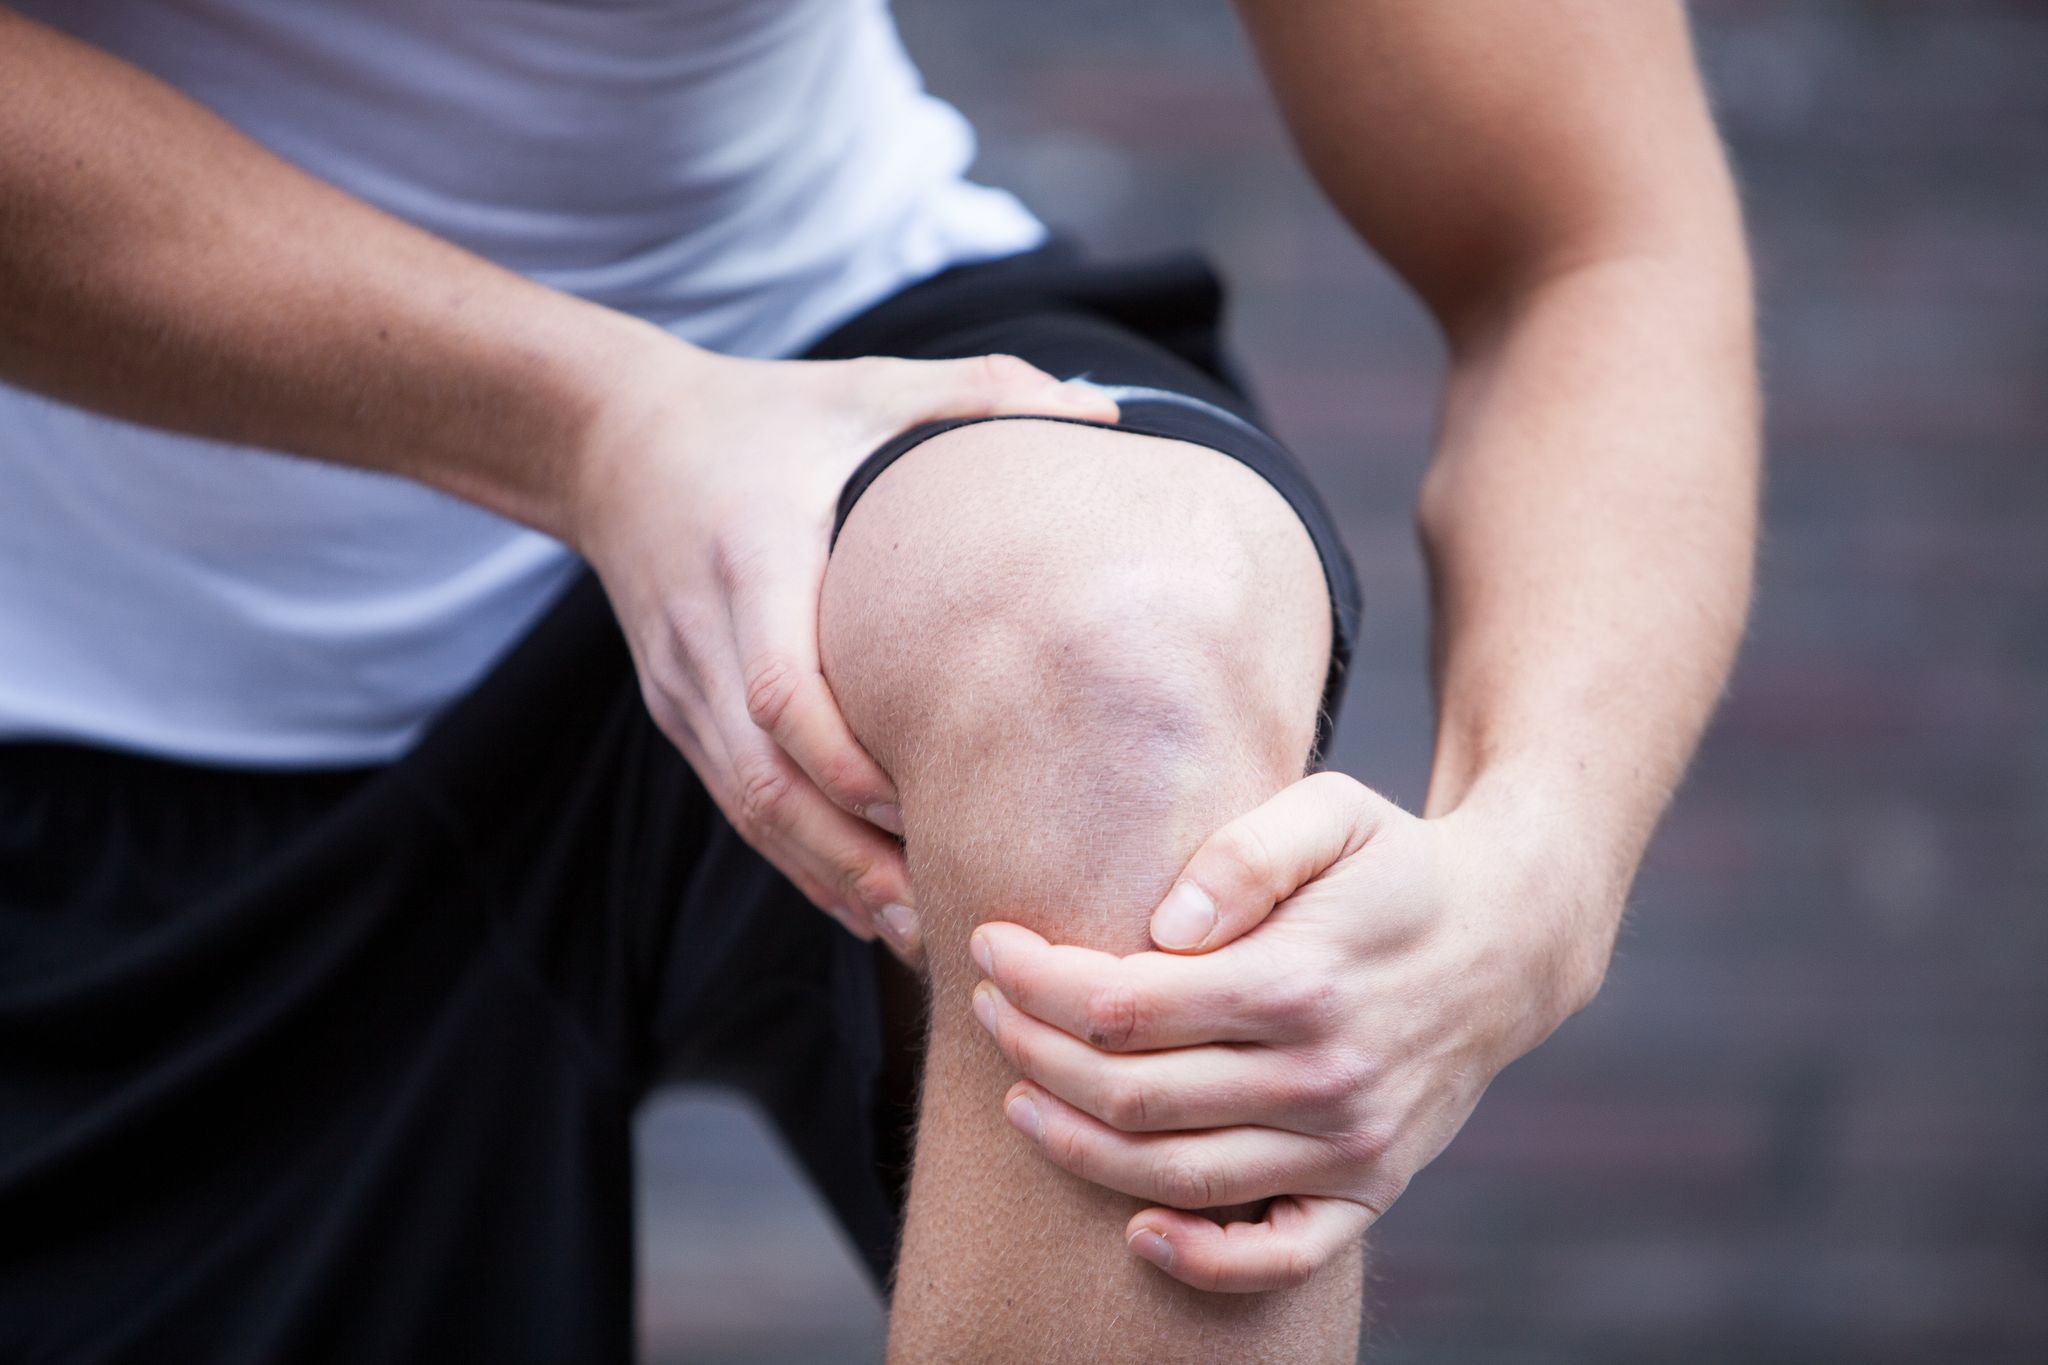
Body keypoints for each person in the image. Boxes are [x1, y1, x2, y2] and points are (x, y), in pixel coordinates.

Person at [0, 1, 1757, 1361]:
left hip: (816, 357)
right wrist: (595, 421)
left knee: (1117, 692)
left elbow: (1585, 243)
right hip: (84, 663)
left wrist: (1545, 868)